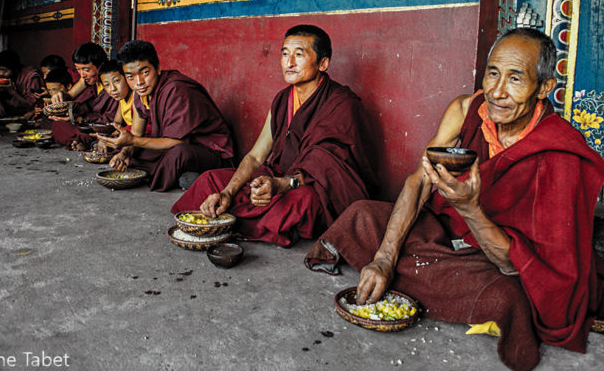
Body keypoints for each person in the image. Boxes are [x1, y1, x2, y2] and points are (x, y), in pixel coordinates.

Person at [305, 28, 604, 371]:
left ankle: (418, 279)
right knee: (362, 214)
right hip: (447, 237)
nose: (497, 92)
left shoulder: (559, 152)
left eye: (515, 78)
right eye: (492, 74)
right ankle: (403, 271)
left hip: (496, 257)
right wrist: (383, 257)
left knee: (509, 297)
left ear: (544, 87)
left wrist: (470, 208)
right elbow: (419, 181)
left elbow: (515, 264)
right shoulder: (466, 109)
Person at [170, 25, 379, 247]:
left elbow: (331, 171)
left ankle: (230, 219)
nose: (289, 63)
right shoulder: (281, 100)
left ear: (323, 63)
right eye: (285, 54)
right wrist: (228, 192)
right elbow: (255, 157)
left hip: (309, 186)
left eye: (299, 55)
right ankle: (235, 212)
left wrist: (283, 184)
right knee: (210, 181)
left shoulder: (342, 104)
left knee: (302, 203)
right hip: (275, 176)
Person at [98, 40, 233, 192]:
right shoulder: (141, 94)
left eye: (145, 72)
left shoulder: (177, 89)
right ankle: (185, 177)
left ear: (158, 68)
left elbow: (176, 142)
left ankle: (201, 177)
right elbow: (136, 133)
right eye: (130, 77)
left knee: (178, 155)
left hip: (208, 152)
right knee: (137, 153)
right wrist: (124, 153)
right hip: (174, 146)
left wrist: (133, 141)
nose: (139, 82)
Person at [49, 42, 118, 150]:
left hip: (101, 125)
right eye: (78, 69)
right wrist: (60, 97)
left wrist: (81, 118)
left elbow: (112, 120)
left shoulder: (113, 85)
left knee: (88, 133)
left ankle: (86, 143)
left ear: (101, 66)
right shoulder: (88, 79)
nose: (82, 74)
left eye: (86, 69)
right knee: (59, 125)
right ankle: (81, 142)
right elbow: (70, 95)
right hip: (88, 122)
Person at [0, 49, 44, 119]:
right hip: (12, 105)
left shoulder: (32, 76)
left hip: (27, 108)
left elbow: (32, 104)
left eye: (4, 70)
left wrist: (12, 92)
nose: (1, 73)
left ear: (15, 69)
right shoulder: (3, 76)